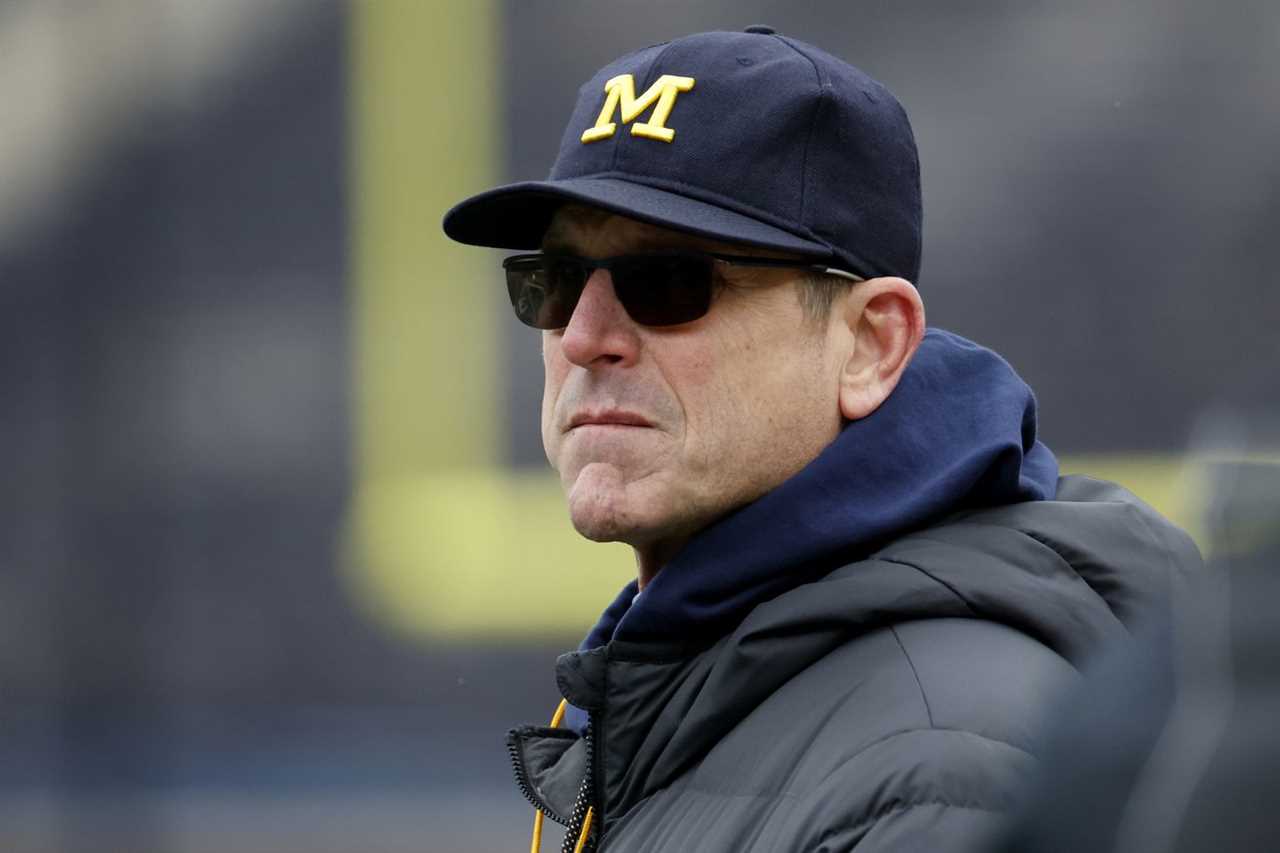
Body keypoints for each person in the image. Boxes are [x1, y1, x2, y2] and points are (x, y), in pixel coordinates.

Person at [442, 27, 1201, 853]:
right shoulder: (709, 684)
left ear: (872, 344)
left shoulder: (933, 774)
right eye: (552, 281)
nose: (585, 335)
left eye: (667, 280)